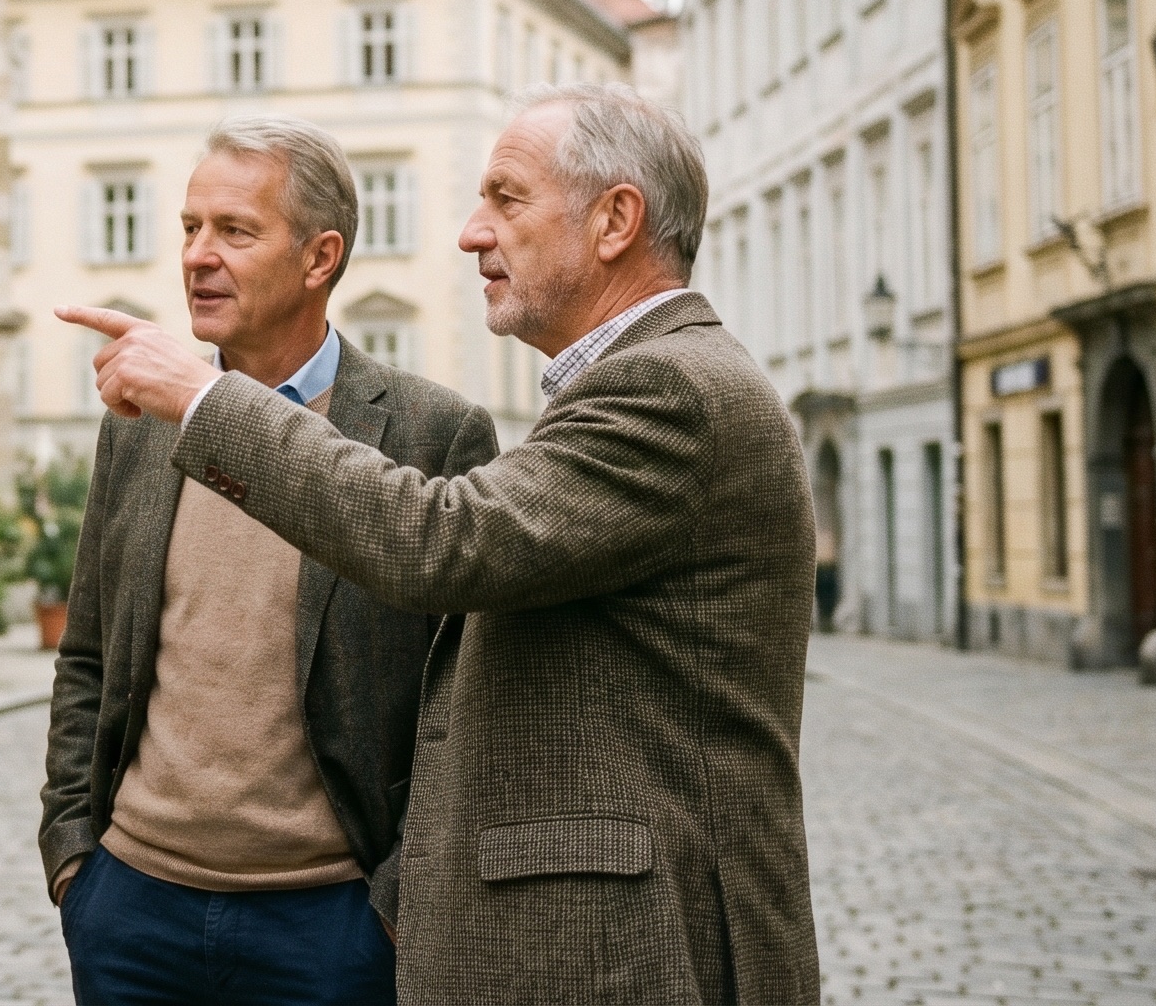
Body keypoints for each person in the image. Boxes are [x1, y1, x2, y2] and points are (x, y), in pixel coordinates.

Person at [63, 83, 818, 1006]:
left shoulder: (670, 389)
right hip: (145, 894)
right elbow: (91, 656)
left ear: (615, 220)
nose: (470, 233)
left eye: (506, 198)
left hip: (632, 950)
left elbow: (442, 542)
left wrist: (205, 401)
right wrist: (75, 858)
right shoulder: (641, 381)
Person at [40, 116, 500, 1006]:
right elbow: (87, 652)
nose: (197, 256)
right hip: (132, 909)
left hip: (331, 927)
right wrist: (73, 857)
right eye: (190, 227)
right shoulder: (138, 425)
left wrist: (395, 903)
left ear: (320, 257)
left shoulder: (431, 433)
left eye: (235, 231)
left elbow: (468, 706)